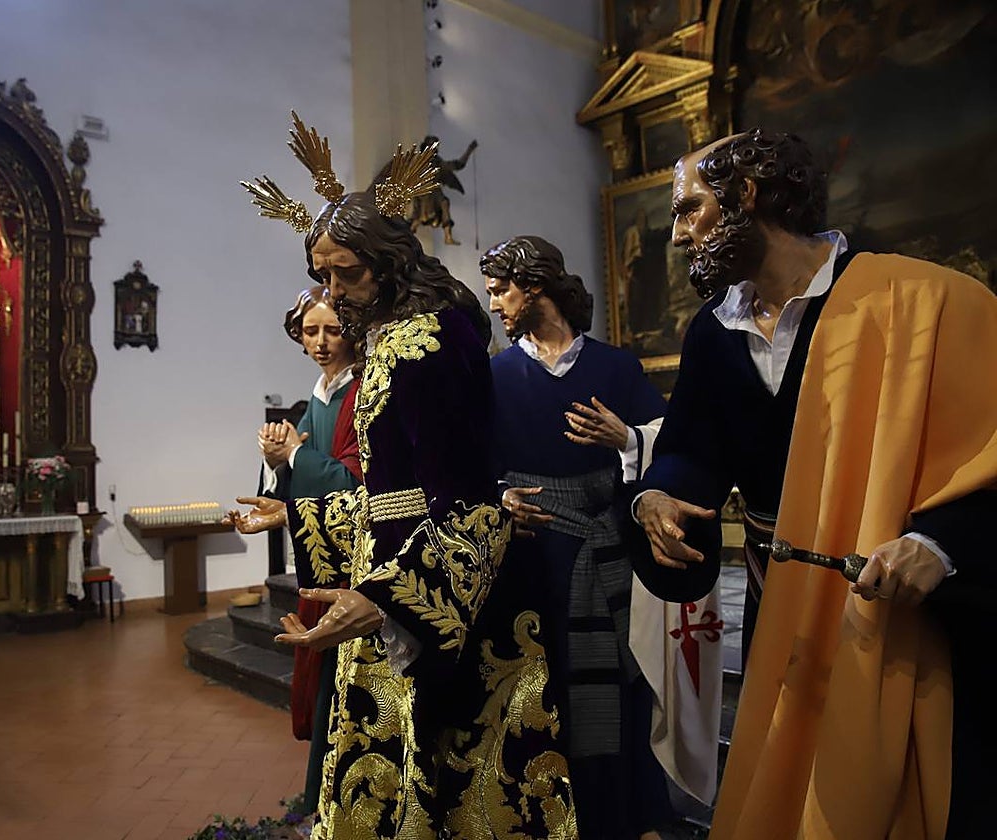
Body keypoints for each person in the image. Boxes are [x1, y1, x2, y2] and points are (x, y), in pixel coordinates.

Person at [631, 128, 997, 839]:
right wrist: (658, 497)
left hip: (920, 620)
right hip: (789, 607)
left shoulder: (927, 299)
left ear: (746, 194)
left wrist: (941, 542)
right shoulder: (714, 331)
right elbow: (691, 451)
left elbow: (988, 457)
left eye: (687, 209)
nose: (677, 237)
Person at [233, 127, 577, 838]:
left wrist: (387, 595)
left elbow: (469, 501)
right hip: (387, 576)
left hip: (440, 601)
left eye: (347, 275)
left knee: (445, 780)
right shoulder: (390, 339)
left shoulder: (436, 337)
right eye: (322, 276)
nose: (333, 294)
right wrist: (301, 514)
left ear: (389, 263)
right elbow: (390, 490)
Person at [483, 236, 673, 840]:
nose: (494, 304)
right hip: (532, 561)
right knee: (546, 691)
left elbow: (669, 442)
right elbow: (472, 466)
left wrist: (625, 438)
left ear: (533, 285)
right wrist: (502, 497)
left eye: (500, 289)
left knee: (622, 687)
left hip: (607, 554)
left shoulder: (614, 367)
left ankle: (629, 816)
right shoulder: (495, 374)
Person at [257, 283, 361, 817]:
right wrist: (279, 457)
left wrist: (295, 452)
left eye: (332, 329)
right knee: (323, 683)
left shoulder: (360, 390)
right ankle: (324, 800)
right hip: (324, 556)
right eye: (310, 330)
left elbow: (351, 479)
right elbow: (296, 472)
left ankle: (342, 802)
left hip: (355, 565)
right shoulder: (321, 392)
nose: (320, 341)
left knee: (344, 688)